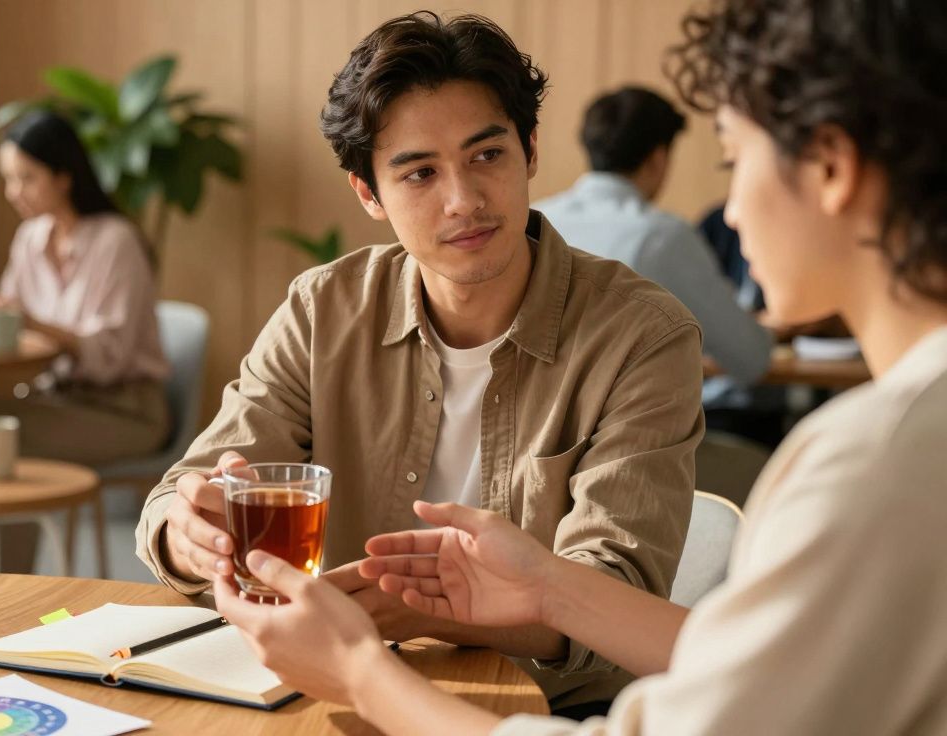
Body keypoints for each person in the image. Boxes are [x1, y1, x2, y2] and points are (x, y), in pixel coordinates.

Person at [215, 0, 947, 733]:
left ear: (829, 167)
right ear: (368, 191)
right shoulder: (904, 437)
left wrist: (361, 673)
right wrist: (545, 587)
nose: (728, 214)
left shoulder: (875, 461)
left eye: (733, 158)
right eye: (420, 173)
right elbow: (770, 670)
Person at [137, 12, 705, 717]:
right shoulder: (324, 309)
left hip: (550, 716)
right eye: (420, 173)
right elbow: (179, 495)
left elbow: (615, 596)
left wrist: (415, 612)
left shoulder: (642, 336)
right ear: (368, 194)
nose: (463, 200)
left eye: (486, 156)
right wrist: (192, 534)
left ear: (530, 150)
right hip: (325, 701)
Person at [0, 110, 169, 572]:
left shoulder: (116, 242)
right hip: (64, 402)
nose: (13, 192)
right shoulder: (29, 239)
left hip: (125, 409)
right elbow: (19, 328)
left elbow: (106, 359)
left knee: (8, 440)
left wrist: (33, 323)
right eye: (8, 179)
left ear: (64, 176)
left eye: (26, 177)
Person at [535, 86, 774, 390]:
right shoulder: (664, 236)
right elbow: (751, 359)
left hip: (534, 426)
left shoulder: (534, 220)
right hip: (628, 430)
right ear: (658, 158)